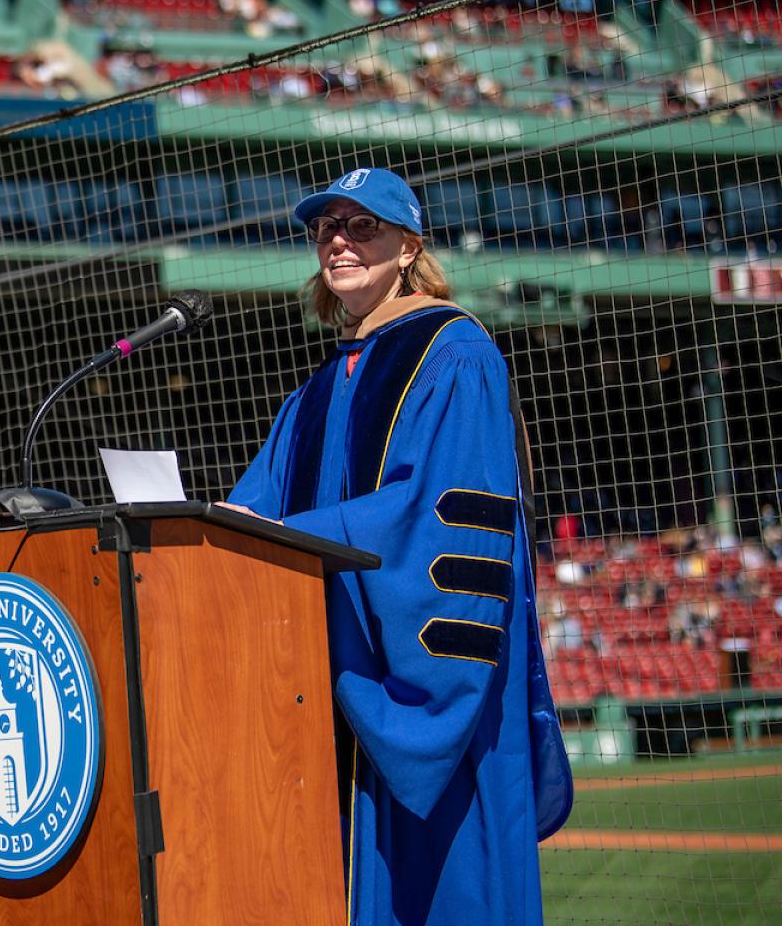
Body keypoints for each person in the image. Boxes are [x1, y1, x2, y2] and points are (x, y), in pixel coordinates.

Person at [223, 166, 573, 926]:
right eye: (326, 229)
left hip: (422, 681)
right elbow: (252, 513)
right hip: (332, 690)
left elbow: (435, 518)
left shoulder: (456, 353)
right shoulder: (315, 392)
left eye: (361, 227)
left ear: (409, 245)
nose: (338, 241)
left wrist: (300, 536)